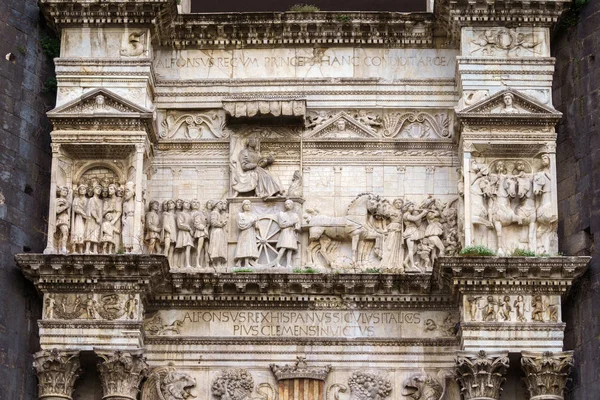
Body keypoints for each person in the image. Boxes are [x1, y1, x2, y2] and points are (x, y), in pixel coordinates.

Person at [379, 199, 404, 272]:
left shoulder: (403, 212)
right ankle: (387, 264)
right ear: (394, 204)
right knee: (390, 246)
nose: (398, 204)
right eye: (397, 203)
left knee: (399, 247)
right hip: (392, 229)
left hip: (400, 231)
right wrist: (384, 228)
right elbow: (383, 218)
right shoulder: (391, 211)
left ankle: (396, 264)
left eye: (400, 202)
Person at [235, 200, 259, 268]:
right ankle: (245, 264)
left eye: (249, 204)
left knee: (249, 247)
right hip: (244, 233)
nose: (248, 206)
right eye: (246, 204)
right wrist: (251, 222)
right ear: (243, 206)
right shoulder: (240, 215)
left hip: (251, 233)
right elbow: (240, 225)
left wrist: (255, 223)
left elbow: (257, 227)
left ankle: (241, 262)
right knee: (244, 247)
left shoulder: (254, 215)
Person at [276, 200, 300, 267]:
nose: (287, 205)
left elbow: (298, 224)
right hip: (285, 232)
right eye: (286, 204)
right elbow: (281, 225)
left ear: (292, 205)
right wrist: (292, 223)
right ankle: (277, 262)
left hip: (292, 232)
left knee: (290, 249)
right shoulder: (283, 215)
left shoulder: (295, 215)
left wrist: (297, 227)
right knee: (283, 247)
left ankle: (288, 264)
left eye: (289, 204)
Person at [208, 200, 228, 269]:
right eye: (220, 203)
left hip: (219, 231)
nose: (222, 205)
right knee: (216, 247)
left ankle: (219, 263)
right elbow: (213, 222)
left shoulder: (218, 213)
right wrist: (222, 224)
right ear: (216, 205)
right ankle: (215, 263)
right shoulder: (214, 212)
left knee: (219, 247)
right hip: (216, 232)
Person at [84, 184, 103, 254]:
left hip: (99, 220)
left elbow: (101, 211)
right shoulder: (91, 199)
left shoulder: (101, 201)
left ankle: (95, 250)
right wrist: (96, 218)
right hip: (92, 219)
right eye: (97, 188)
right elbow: (92, 210)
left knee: (96, 234)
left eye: (100, 189)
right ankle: (87, 249)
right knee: (89, 233)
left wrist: (100, 219)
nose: (99, 190)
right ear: (93, 190)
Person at [175, 201, 194, 268]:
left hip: (188, 233)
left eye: (189, 203)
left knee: (186, 247)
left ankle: (183, 264)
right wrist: (189, 228)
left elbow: (192, 225)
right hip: (183, 232)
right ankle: (186, 264)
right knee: (186, 247)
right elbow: (179, 224)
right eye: (186, 203)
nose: (188, 204)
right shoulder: (181, 214)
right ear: (182, 205)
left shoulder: (189, 215)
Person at [71, 184, 88, 254]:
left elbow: (89, 209)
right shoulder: (76, 199)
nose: (82, 190)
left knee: (83, 232)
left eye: (83, 189)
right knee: (77, 231)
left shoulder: (87, 200)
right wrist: (83, 214)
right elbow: (75, 208)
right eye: (80, 189)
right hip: (78, 218)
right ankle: (74, 250)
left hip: (85, 219)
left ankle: (81, 250)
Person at [191, 200, 208, 268]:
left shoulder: (201, 214)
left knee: (203, 249)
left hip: (203, 232)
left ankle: (203, 263)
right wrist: (204, 228)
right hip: (200, 232)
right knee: (199, 248)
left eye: (198, 202)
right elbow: (197, 223)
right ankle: (197, 263)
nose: (196, 204)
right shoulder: (198, 214)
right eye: (194, 202)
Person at [55, 186, 71, 254]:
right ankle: (63, 248)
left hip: (66, 219)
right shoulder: (59, 200)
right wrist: (66, 206)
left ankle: (61, 248)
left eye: (66, 191)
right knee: (65, 232)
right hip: (61, 218)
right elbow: (57, 210)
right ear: (60, 192)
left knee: (64, 234)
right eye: (63, 190)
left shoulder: (66, 201)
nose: (65, 192)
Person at [162, 200, 177, 265]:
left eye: (171, 203)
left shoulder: (175, 216)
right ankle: (164, 262)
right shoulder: (166, 214)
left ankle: (169, 264)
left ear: (174, 205)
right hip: (168, 233)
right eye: (168, 204)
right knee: (167, 246)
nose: (170, 205)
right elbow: (165, 225)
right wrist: (171, 232)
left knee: (172, 249)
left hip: (174, 234)